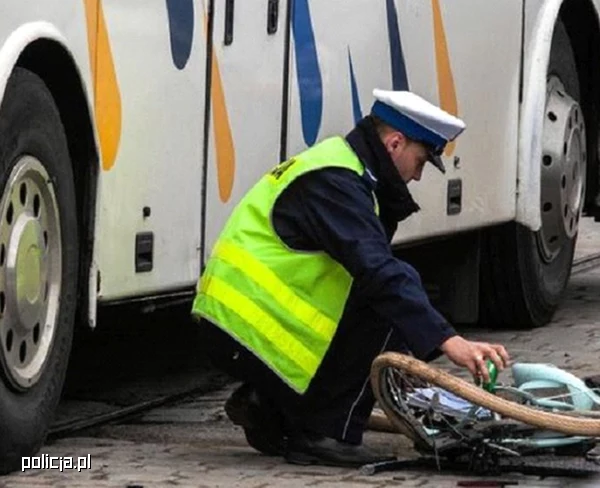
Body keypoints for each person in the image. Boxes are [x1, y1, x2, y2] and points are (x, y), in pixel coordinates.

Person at [192, 89, 510, 467]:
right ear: (395, 143)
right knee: (387, 300)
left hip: (237, 325)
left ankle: (273, 405)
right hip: (246, 327)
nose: (418, 174)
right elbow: (379, 272)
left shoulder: (340, 167)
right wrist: (449, 340)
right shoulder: (337, 182)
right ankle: (326, 433)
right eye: (421, 161)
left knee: (386, 294)